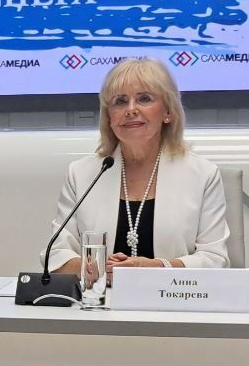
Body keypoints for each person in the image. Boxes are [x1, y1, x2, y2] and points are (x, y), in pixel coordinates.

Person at [44, 57, 229, 274]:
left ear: (168, 112)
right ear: (109, 117)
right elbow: (56, 254)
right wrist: (97, 270)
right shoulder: (82, 173)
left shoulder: (202, 175)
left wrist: (153, 268)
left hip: (173, 294)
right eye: (120, 101)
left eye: (144, 99)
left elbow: (214, 259)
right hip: (101, 294)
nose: (131, 109)